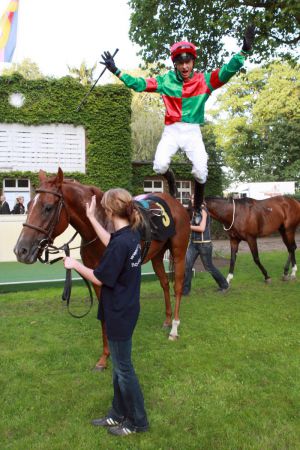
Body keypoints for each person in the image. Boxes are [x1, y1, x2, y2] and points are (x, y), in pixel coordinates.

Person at [100, 25, 255, 214]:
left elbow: (227, 71)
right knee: (159, 166)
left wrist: (244, 51)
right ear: (175, 63)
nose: (185, 67)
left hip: (192, 131)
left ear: (192, 62)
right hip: (172, 130)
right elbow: (139, 84)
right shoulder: (165, 81)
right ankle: (171, 182)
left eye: (188, 62)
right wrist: (116, 71)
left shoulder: (204, 81)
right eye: (181, 63)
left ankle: (197, 207)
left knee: (200, 171)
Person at [63, 188, 149, 437]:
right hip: (123, 309)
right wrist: (90, 217)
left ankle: (138, 421)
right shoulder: (129, 235)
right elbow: (110, 242)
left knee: (124, 369)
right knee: (119, 368)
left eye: (102, 208)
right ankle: (116, 413)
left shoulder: (123, 241)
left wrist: (75, 264)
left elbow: (99, 278)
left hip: (119, 312)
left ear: (110, 211)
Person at [183, 203, 229, 295]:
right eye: (191, 199)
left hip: (204, 244)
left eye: (193, 199)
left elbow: (202, 228)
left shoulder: (203, 211)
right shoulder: (193, 211)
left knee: (209, 267)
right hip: (193, 244)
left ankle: (224, 285)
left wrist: (188, 227)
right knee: (187, 266)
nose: (192, 201)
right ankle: (185, 291)